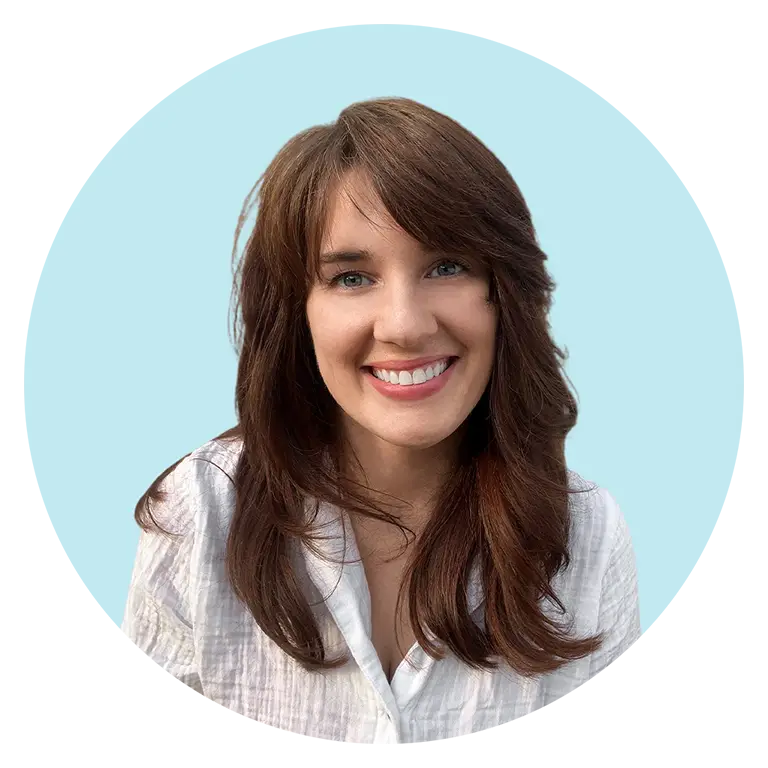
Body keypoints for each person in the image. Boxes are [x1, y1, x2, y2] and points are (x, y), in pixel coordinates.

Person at [121, 96, 641, 744]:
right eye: (351, 277)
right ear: (296, 311)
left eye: (446, 266)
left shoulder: (588, 534)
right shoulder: (198, 513)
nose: (403, 324)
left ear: (504, 293)